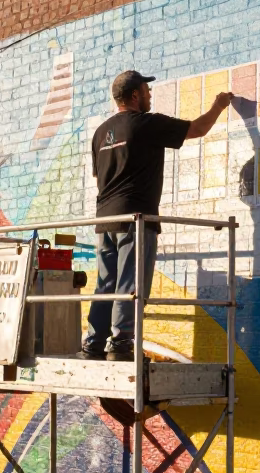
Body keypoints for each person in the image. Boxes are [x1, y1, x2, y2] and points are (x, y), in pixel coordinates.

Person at [79, 70, 232, 366]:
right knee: (131, 283)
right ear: (135, 95)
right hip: (136, 218)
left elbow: (98, 175)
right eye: (147, 91)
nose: (151, 95)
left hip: (105, 220)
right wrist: (219, 105)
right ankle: (122, 342)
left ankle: (94, 343)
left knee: (106, 284)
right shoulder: (145, 124)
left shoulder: (100, 133)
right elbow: (197, 129)